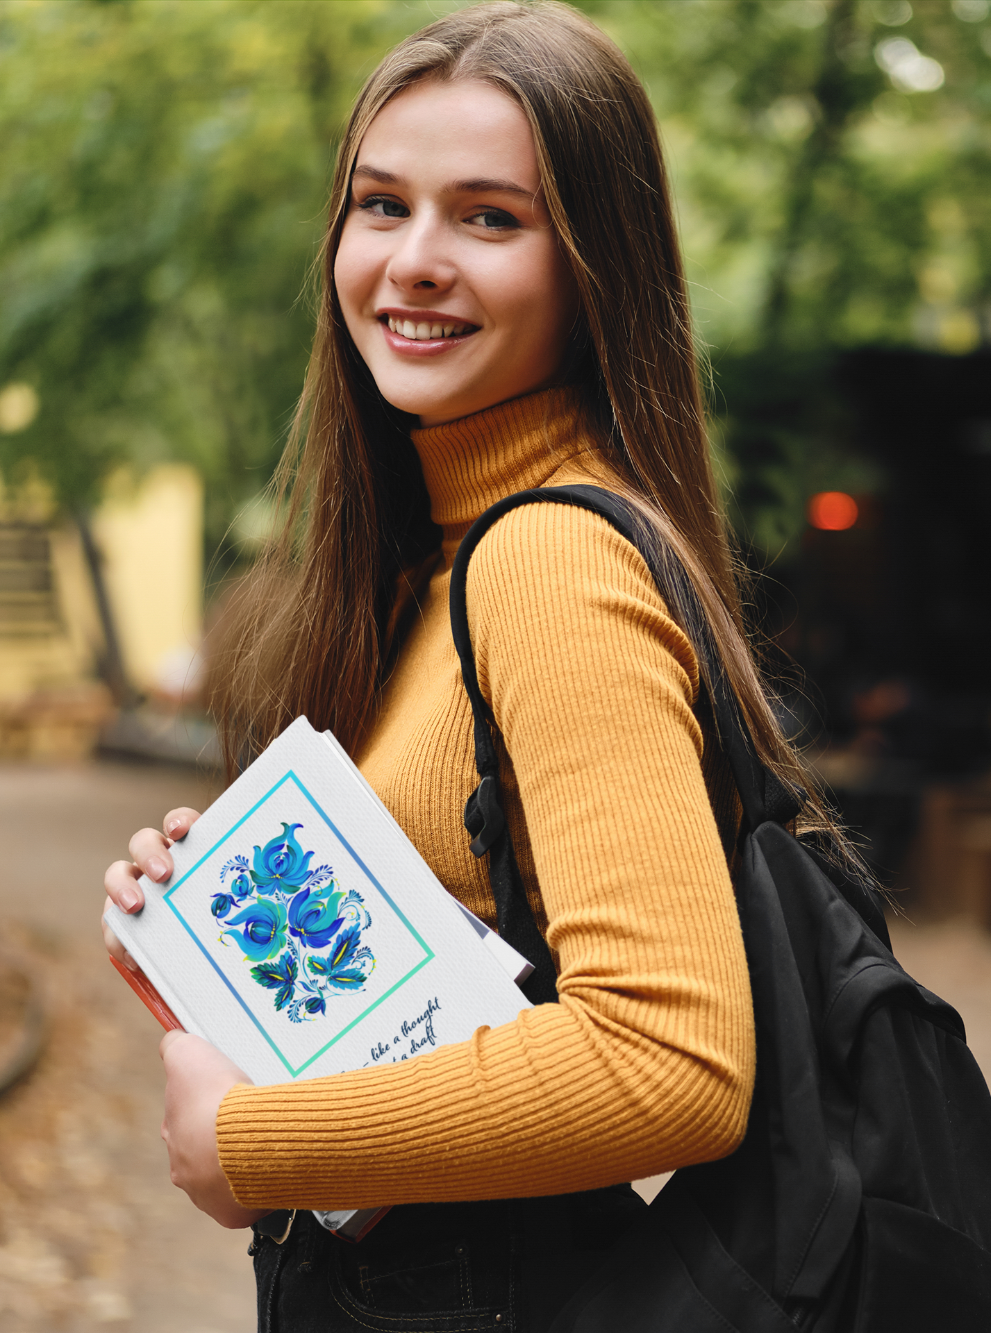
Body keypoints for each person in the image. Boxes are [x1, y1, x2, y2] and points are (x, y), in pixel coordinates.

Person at [102, 4, 840, 1328]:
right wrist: (226, 942)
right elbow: (477, 986)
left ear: (593, 265)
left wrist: (254, 1146)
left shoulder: (548, 567)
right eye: (381, 205)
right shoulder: (424, 568)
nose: (414, 260)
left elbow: (668, 1059)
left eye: (490, 218)